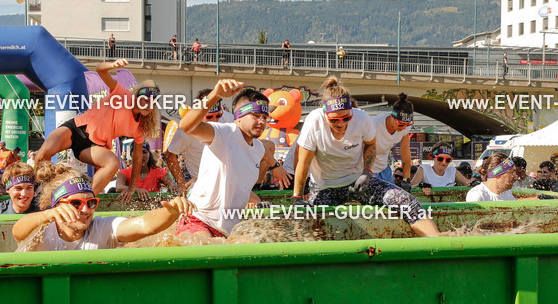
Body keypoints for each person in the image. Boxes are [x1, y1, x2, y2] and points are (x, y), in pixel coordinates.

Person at [291, 77, 439, 237]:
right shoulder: (314, 121)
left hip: (356, 182)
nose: (341, 124)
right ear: (325, 114)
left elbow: (371, 145)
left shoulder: (361, 118)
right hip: (325, 186)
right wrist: (298, 196)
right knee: (310, 225)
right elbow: (302, 162)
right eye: (334, 120)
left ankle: (439, 246)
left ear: (351, 112)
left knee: (407, 202)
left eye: (346, 118)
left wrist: (367, 172)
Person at [35, 58, 160, 202]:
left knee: (113, 163)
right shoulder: (123, 95)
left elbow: (137, 158)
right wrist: (112, 65)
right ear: (138, 97)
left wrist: (132, 187)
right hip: (77, 128)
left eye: (153, 103)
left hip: (94, 146)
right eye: (146, 100)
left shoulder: (139, 127)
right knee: (42, 154)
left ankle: (85, 201)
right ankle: (38, 194)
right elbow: (100, 69)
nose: (149, 105)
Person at [175, 80, 277, 237]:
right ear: (239, 117)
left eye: (265, 116)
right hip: (198, 220)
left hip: (228, 229)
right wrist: (215, 95)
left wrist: (276, 167)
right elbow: (187, 126)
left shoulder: (257, 148)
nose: (262, 121)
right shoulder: (224, 133)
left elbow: (265, 150)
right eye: (256, 116)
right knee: (207, 254)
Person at [12, 166, 194, 251]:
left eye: (91, 203)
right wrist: (48, 215)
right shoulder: (43, 230)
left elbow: (145, 225)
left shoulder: (102, 227)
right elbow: (18, 232)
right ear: (57, 205)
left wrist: (172, 211)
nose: (84, 211)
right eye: (76, 204)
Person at [165, 88, 219, 190]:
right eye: (209, 117)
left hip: (226, 184)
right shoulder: (186, 130)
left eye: (219, 115)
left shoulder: (228, 120)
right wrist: (181, 184)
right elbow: (169, 155)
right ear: (199, 112)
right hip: (202, 188)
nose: (215, 120)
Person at [370, 93, 415, 184]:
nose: (403, 127)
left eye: (407, 124)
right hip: (367, 169)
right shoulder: (374, 125)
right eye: (401, 124)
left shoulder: (405, 128)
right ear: (393, 117)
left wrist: (406, 179)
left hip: (384, 168)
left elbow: (405, 153)